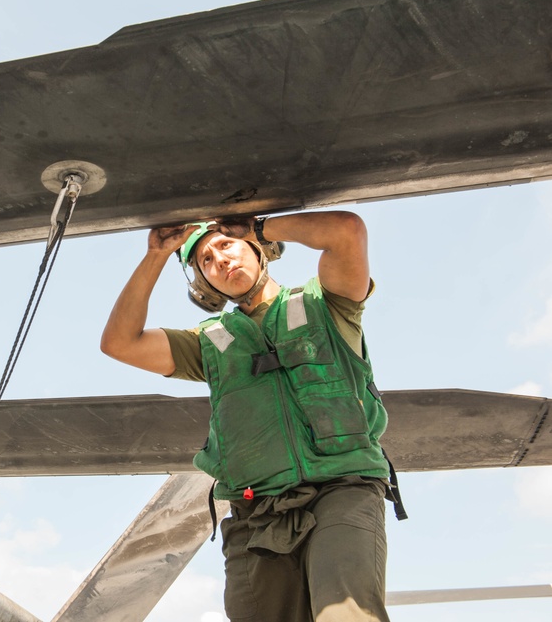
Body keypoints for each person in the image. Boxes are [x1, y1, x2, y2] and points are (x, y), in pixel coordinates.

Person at [101, 211, 401, 622]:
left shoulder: (328, 304)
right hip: (255, 511)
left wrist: (257, 226)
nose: (219, 260)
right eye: (205, 261)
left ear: (257, 250)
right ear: (204, 285)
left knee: (345, 615)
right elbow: (120, 342)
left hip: (342, 487)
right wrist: (157, 254)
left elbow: (346, 232)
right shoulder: (208, 343)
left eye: (225, 244)